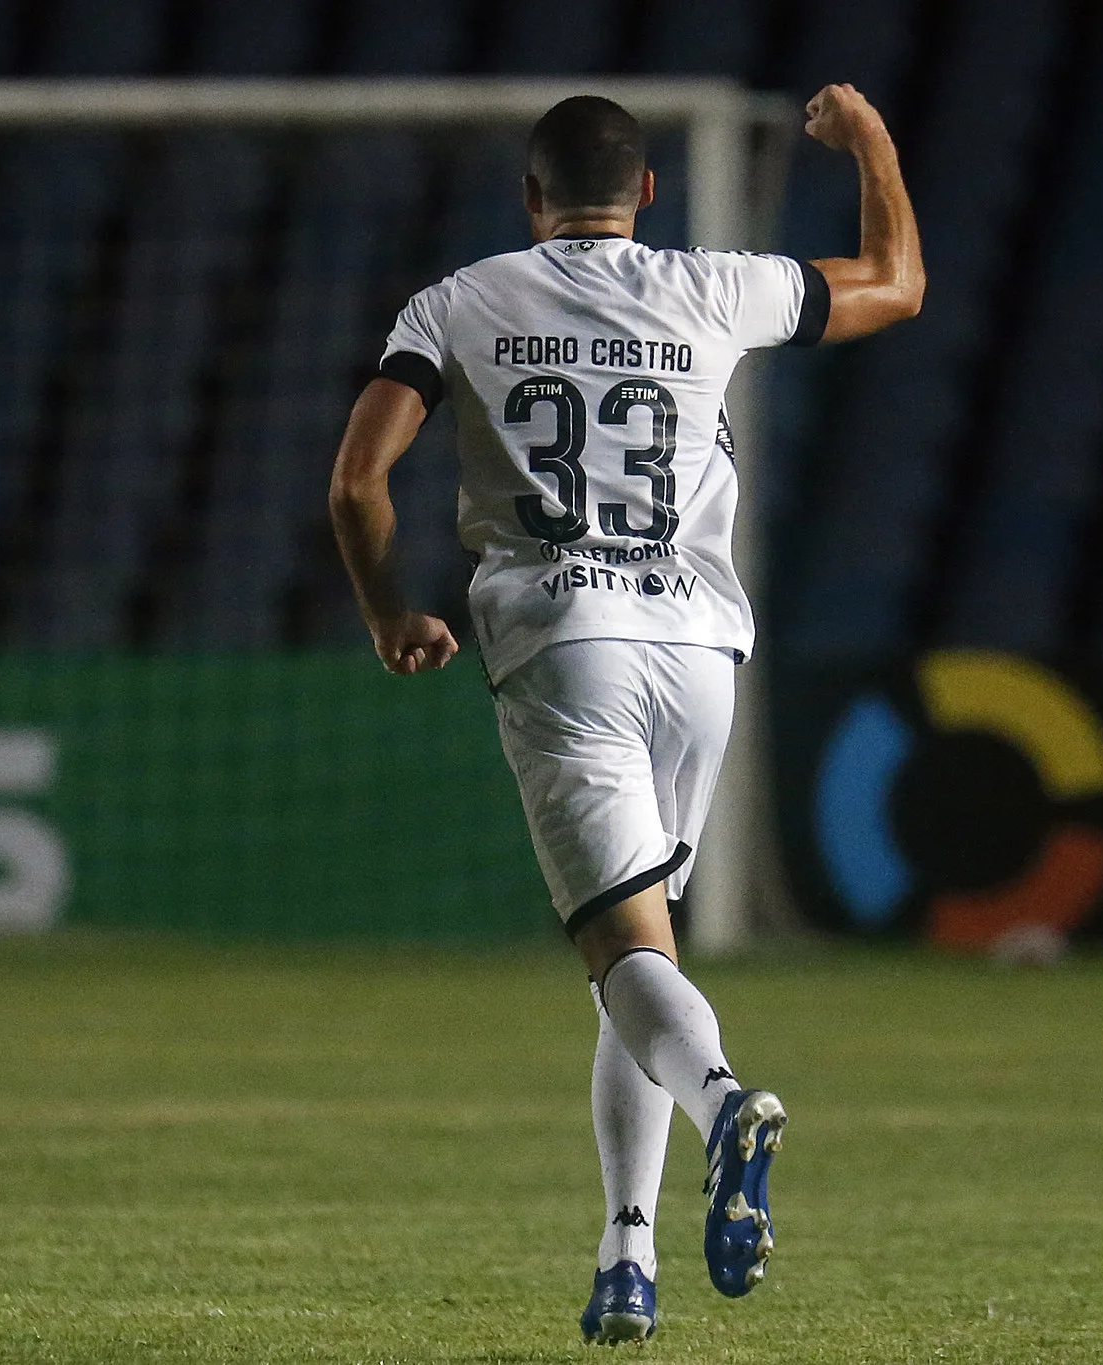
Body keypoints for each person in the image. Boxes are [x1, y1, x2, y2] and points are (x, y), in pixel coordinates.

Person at [328, 85, 923, 1343]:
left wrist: (388, 611)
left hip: (564, 646)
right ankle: (625, 1253)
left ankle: (727, 1106)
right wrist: (867, 138)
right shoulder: (711, 287)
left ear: (530, 198)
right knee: (639, 961)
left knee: (626, 959)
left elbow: (355, 481)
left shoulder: (459, 301)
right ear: (647, 193)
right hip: (701, 649)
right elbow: (893, 283)